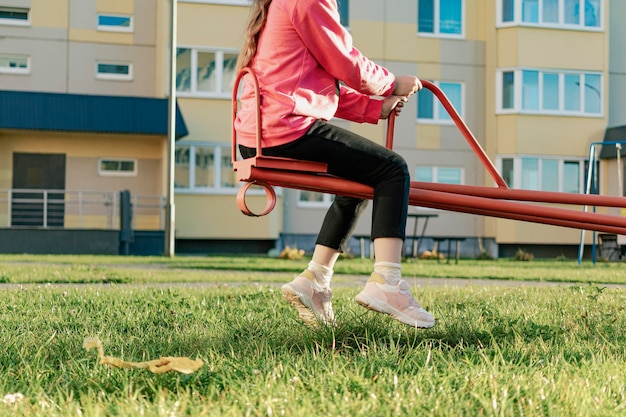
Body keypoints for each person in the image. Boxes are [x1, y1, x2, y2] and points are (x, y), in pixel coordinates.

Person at [234, 0, 435, 329]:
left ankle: (315, 278)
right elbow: (344, 62)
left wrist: (374, 109)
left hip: (263, 131)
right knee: (392, 170)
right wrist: (391, 83)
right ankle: (387, 282)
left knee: (356, 184)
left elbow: (310, 82)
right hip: (284, 130)